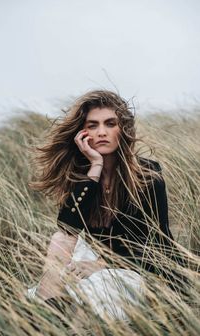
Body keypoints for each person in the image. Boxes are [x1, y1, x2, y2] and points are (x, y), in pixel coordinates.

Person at [27, 89, 188, 321]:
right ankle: (47, 307)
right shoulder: (82, 177)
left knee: (92, 296)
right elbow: (67, 227)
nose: (101, 132)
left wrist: (102, 265)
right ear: (82, 133)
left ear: (122, 129)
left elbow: (157, 244)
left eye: (110, 123)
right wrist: (94, 167)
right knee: (60, 240)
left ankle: (63, 326)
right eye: (92, 125)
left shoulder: (148, 175)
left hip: (139, 267)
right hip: (94, 257)